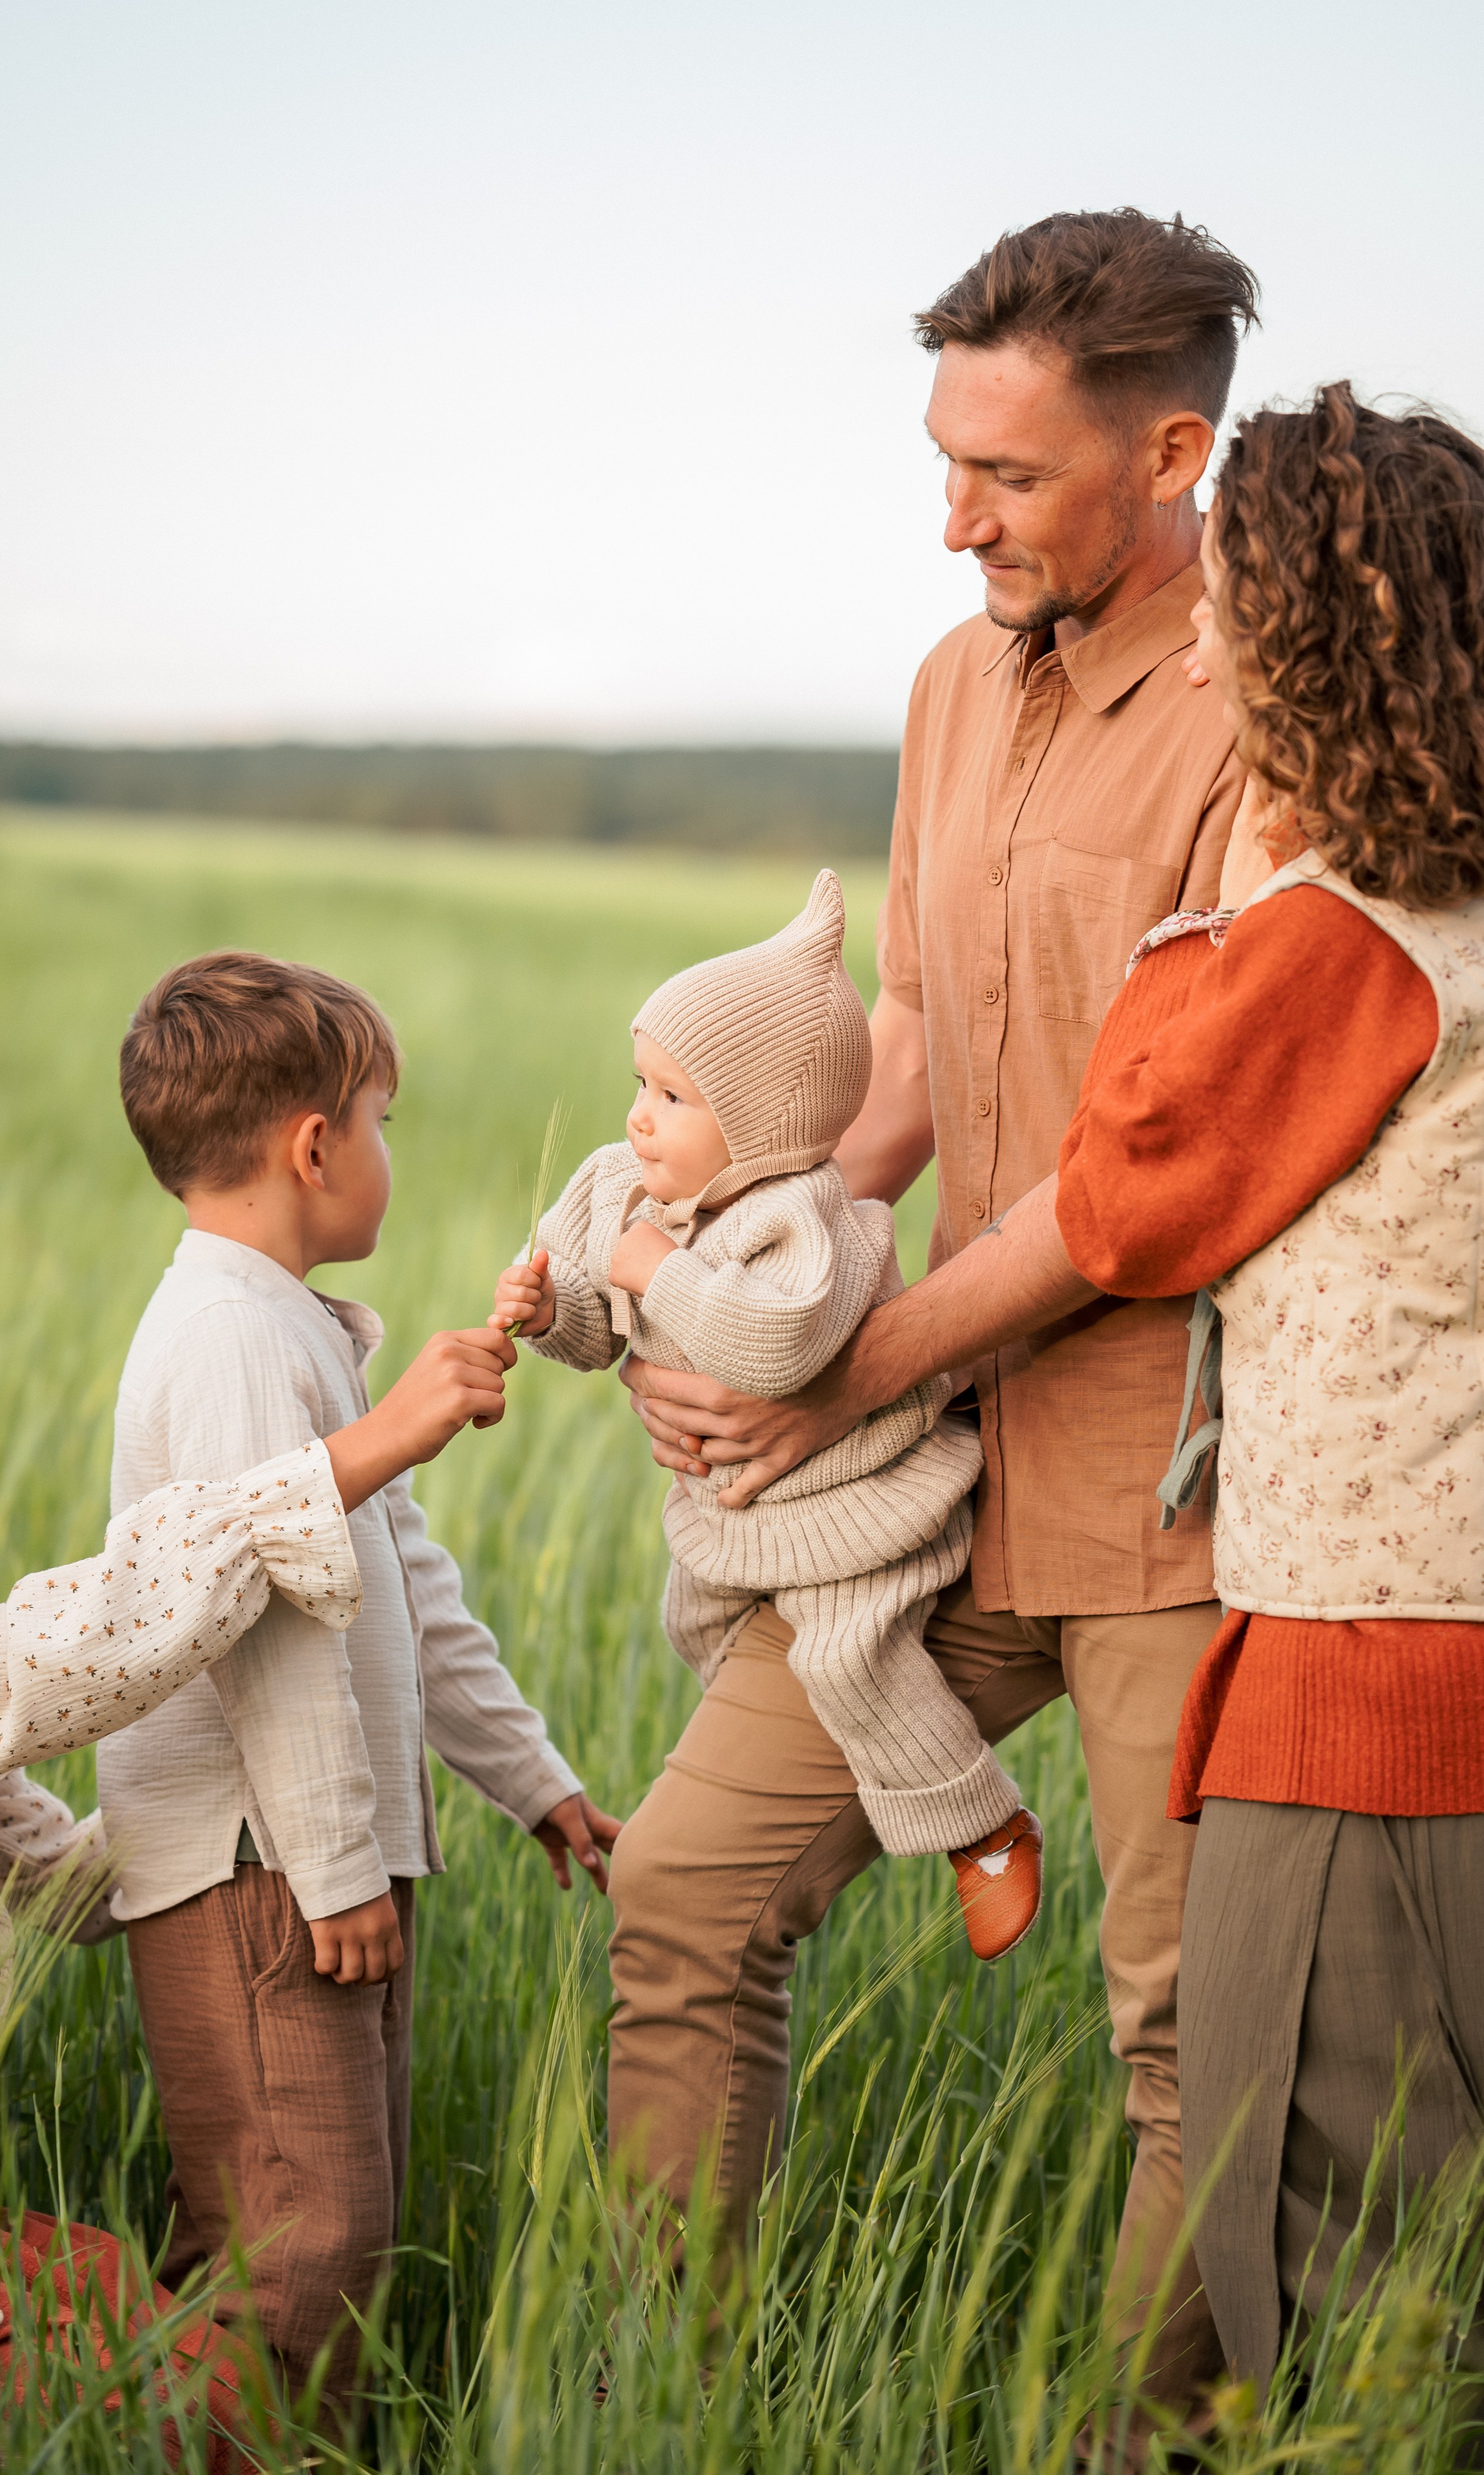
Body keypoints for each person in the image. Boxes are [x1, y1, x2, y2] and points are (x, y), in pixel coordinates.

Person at [609, 205, 1258, 2407]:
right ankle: (662, 2406)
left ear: (1171, 454)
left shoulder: (1269, 717)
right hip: (937, 1480)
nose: (953, 519)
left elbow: (1155, 1164)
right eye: (944, 461)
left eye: (1006, 475)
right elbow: (906, 1044)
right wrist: (737, 1308)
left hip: (1190, 1493)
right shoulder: (948, 686)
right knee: (686, 1891)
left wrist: (839, 1374)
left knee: (1190, 2045)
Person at [1054, 383, 1484, 2397]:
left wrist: (1236, 876)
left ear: (1315, 636)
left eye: (1229, 605)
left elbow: (1123, 1192)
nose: (1203, 654)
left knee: (1338, 2285)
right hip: (1419, 1656)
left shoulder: (1349, 940)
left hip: (1374, 1688)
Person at [0, 1315, 512, 2442]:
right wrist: (362, 1451)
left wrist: (238, 1804)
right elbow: (91, 1633)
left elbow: (63, 1885)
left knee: (181, 2356)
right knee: (218, 2413)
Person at [100, 951, 621, 2398]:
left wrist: (530, 1779)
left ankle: (266, 2433)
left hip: (305, 1860)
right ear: (314, 1147)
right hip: (260, 1867)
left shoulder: (289, 1327)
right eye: (383, 1122)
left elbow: (406, 1586)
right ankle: (237, 2441)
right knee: (299, 2246)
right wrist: (332, 1871)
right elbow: (263, 1629)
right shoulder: (229, 1339)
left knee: (329, 2216)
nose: (390, 1152)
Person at [493, 869, 1042, 1962]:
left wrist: (655, 1271)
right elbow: (597, 1330)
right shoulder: (620, 1187)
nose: (639, 1117)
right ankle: (797, 1757)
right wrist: (553, 1312)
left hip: (851, 1509)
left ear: (761, 1125)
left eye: (675, 1098)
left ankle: (980, 1825)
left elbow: (775, 1345)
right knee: (692, 1621)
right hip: (732, 1514)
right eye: (641, 1083)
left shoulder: (806, 1221)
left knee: (848, 1661)